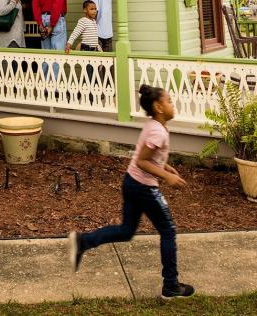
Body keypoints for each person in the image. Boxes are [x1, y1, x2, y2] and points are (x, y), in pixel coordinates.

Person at [68, 84, 195, 299]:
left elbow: (150, 158)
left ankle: (82, 241)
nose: (173, 104)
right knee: (168, 230)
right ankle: (171, 286)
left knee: (127, 231)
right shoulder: (158, 132)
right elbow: (142, 161)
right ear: (159, 107)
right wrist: (167, 177)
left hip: (131, 182)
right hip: (144, 187)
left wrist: (165, 166)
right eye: (169, 101)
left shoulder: (154, 124)